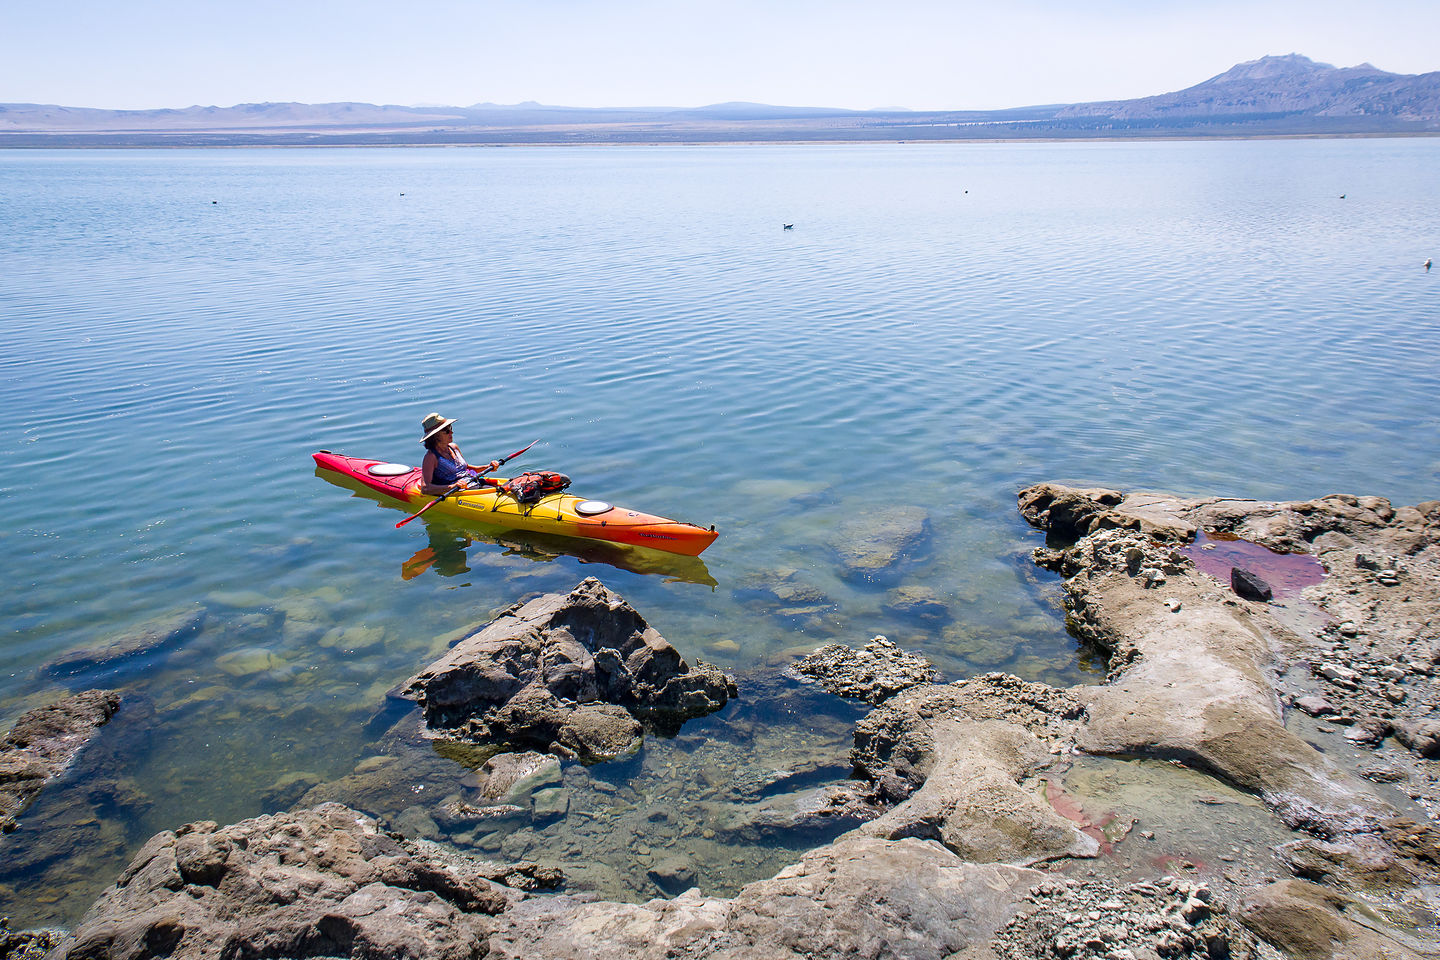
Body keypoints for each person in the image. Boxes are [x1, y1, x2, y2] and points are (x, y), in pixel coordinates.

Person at [418, 412, 500, 497]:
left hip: (474, 482)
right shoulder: (431, 457)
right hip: (460, 492)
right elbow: (425, 488)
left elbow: (466, 468)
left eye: (450, 428)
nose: (451, 432)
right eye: (446, 431)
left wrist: (488, 467)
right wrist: (452, 486)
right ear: (435, 436)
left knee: (511, 486)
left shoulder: (454, 447)